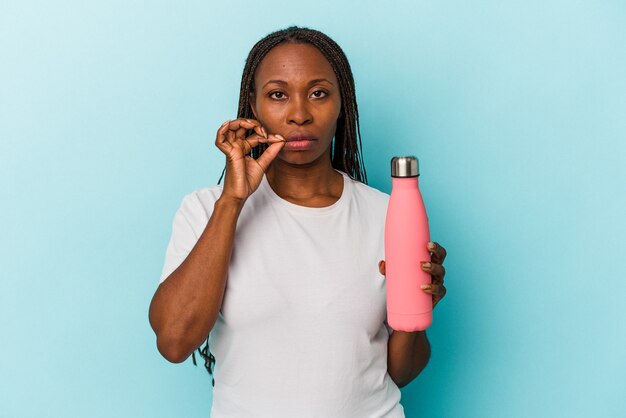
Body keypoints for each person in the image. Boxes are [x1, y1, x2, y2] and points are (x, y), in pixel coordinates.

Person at [148, 26, 447, 418]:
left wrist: (415, 310)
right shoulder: (206, 210)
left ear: (343, 105)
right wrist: (233, 201)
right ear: (252, 106)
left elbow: (400, 372)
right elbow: (174, 341)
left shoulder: (388, 216)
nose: (300, 114)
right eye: (277, 95)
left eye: (319, 93)